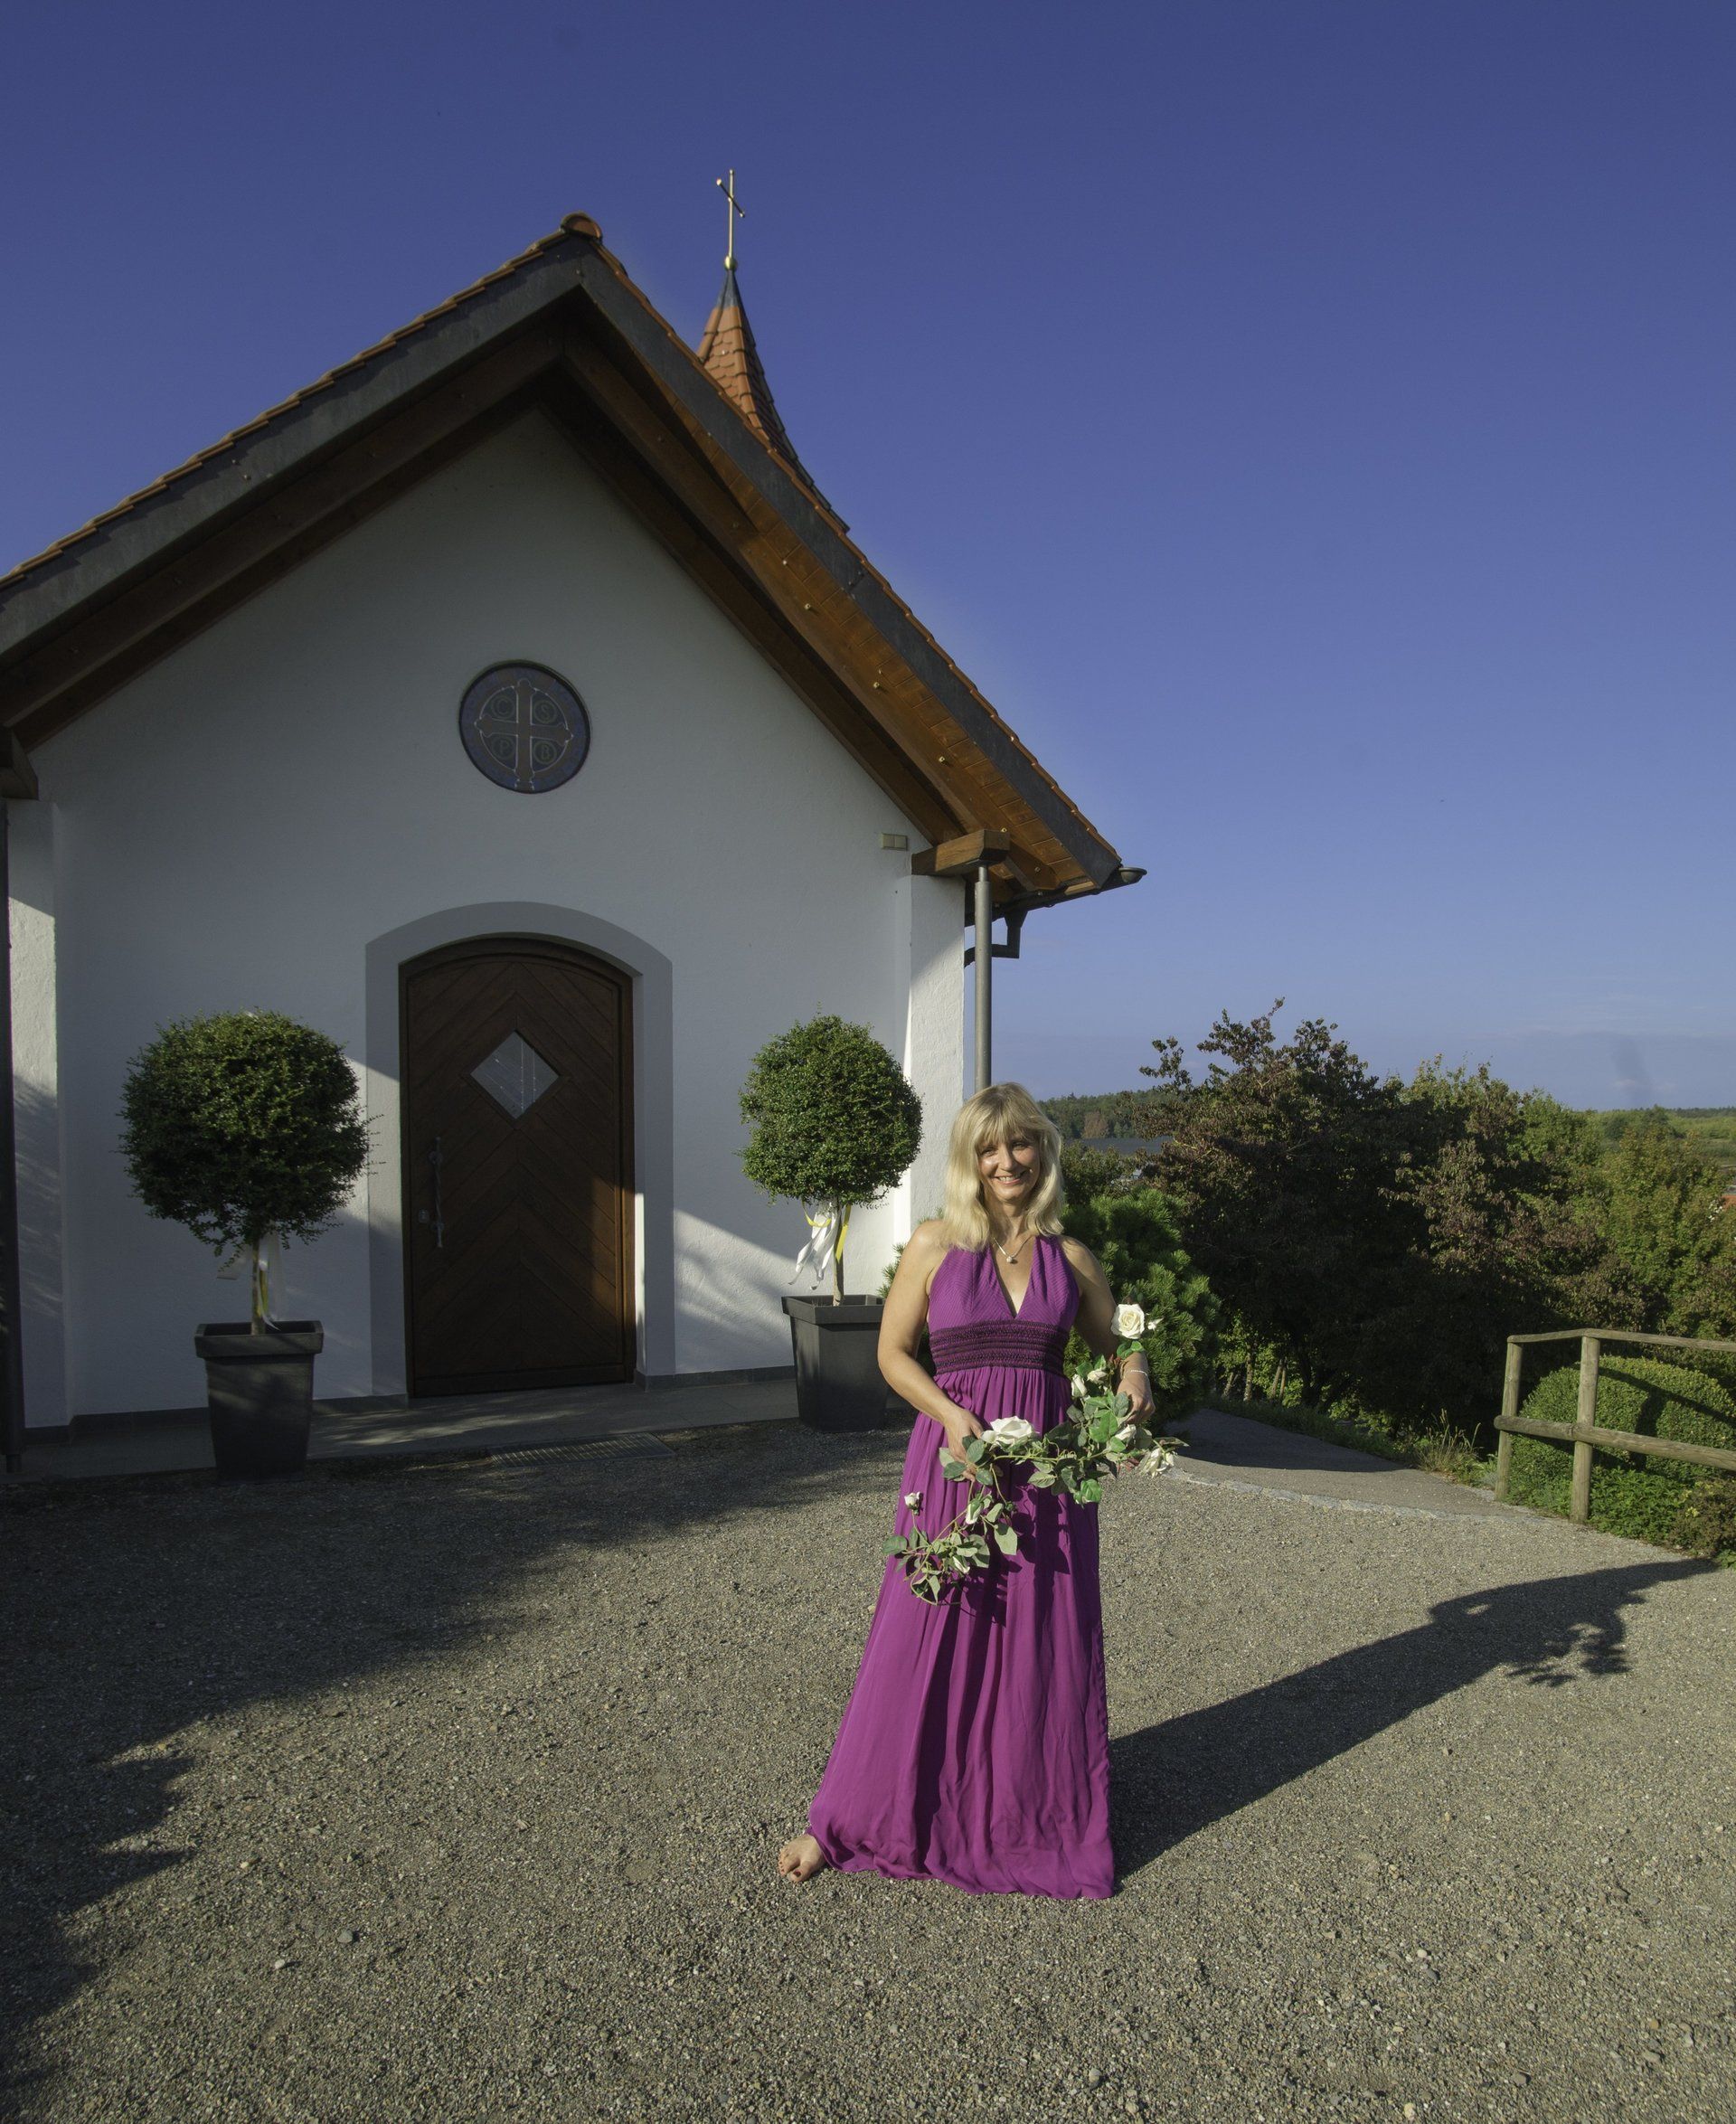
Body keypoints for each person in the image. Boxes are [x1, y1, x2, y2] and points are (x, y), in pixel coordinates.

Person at [777, 1081, 1152, 1899]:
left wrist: (1134, 1379)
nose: (1007, 1160)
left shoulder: (1071, 1258)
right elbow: (892, 1353)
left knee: (1040, 1633)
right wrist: (950, 1414)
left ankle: (1030, 1814)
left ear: (1042, 1151)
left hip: (1045, 1476)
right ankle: (846, 1816)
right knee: (922, 1626)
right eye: (989, 1148)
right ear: (969, 1159)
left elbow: (1121, 1343)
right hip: (956, 1461)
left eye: (1020, 1143)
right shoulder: (934, 1244)